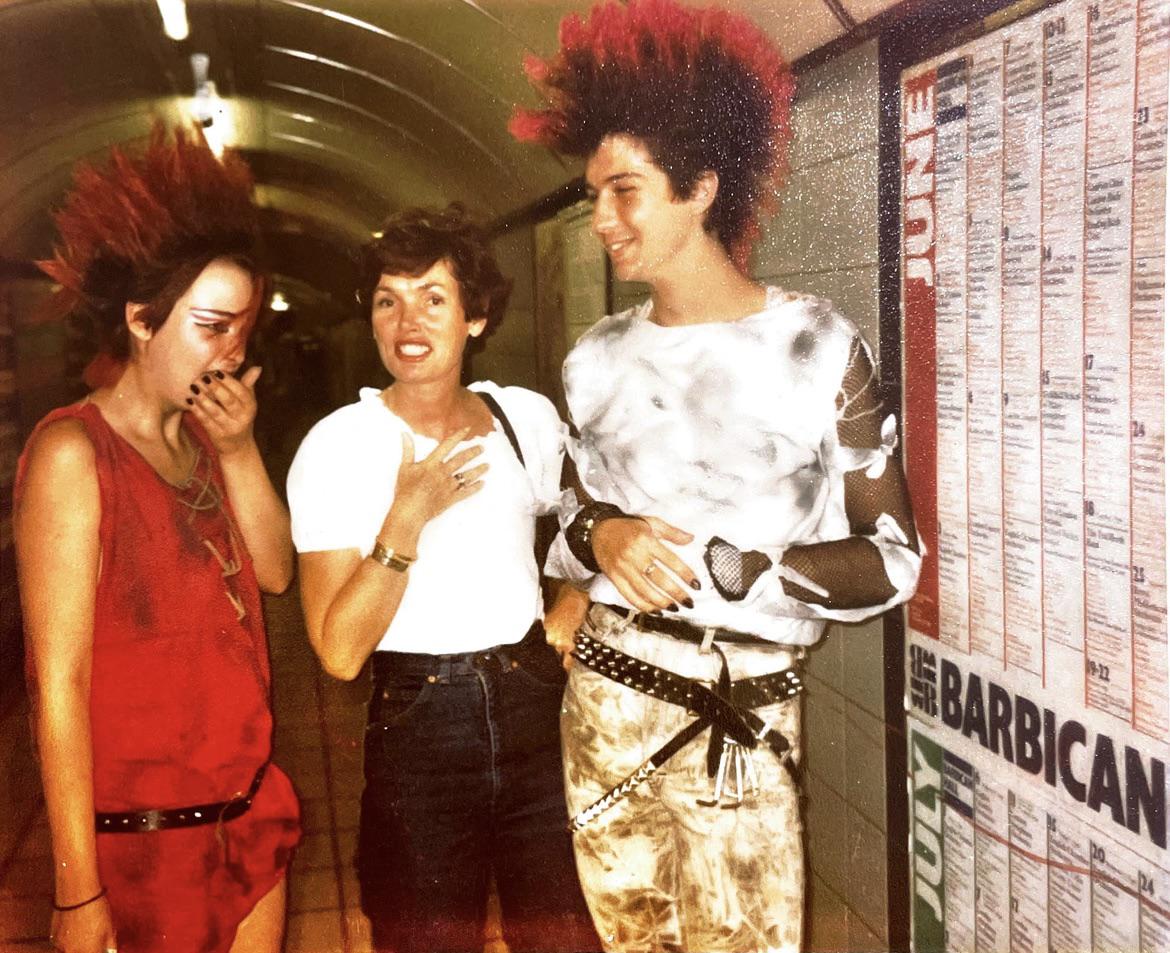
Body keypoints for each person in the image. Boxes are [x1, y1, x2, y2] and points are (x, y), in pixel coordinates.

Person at [511, 2, 923, 951]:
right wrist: (601, 537)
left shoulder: (815, 344)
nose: (603, 219)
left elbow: (894, 558)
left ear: (700, 185)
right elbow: (570, 513)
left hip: (743, 726)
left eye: (626, 190)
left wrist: (753, 570)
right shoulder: (595, 356)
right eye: (594, 194)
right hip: (605, 714)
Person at [14, 126, 301, 953]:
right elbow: (57, 683)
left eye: (243, 328)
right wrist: (77, 891)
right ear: (142, 318)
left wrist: (244, 449)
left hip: (245, 817)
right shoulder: (75, 453)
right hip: (140, 842)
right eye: (212, 326)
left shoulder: (207, 437)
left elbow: (276, 574)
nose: (233, 351)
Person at [286, 204, 598, 953]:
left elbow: (588, 523)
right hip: (419, 724)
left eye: (433, 296)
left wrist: (575, 599)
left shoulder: (525, 418)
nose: (407, 320)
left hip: (536, 708)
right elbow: (337, 651)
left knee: (565, 938)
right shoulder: (338, 446)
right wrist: (406, 518)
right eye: (387, 299)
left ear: (476, 318)